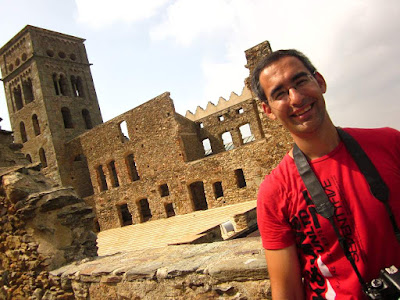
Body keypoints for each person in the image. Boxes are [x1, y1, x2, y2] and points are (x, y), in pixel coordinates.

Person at [251, 49, 400, 299]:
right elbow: (287, 293)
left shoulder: (390, 143)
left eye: (300, 82)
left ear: (319, 82)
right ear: (268, 111)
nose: (296, 98)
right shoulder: (274, 193)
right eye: (280, 94)